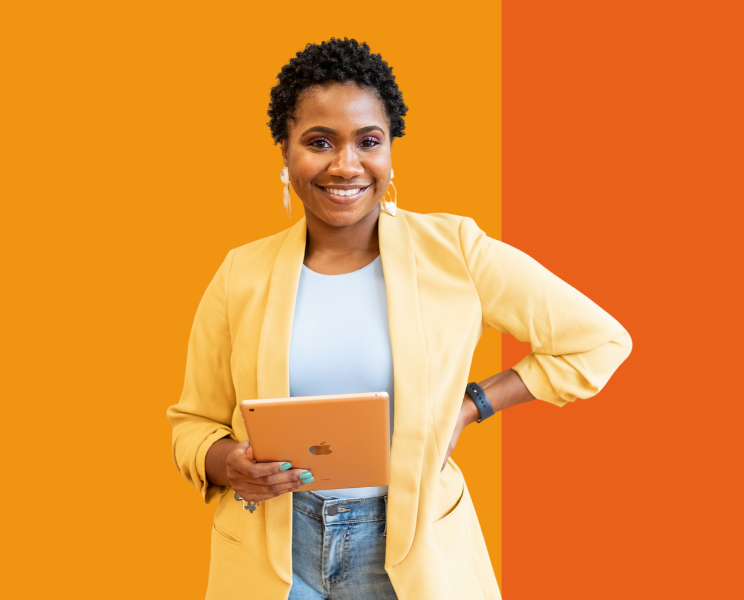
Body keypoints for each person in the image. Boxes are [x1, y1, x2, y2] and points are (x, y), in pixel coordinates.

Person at [166, 38, 632, 600]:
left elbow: (597, 341)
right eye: (319, 142)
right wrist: (228, 462)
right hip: (273, 554)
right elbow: (193, 424)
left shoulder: (456, 250)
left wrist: (473, 405)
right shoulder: (240, 274)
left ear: (390, 151)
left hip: (410, 551)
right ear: (285, 152)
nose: (346, 165)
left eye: (369, 141)